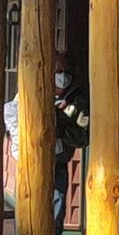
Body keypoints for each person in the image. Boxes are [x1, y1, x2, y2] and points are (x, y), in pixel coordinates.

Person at [52, 51, 89, 223]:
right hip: (32, 162)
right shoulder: (33, 94)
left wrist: (61, 132)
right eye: (58, 71)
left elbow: (83, 137)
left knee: (57, 215)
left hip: (59, 164)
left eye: (66, 71)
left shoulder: (77, 101)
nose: (63, 75)